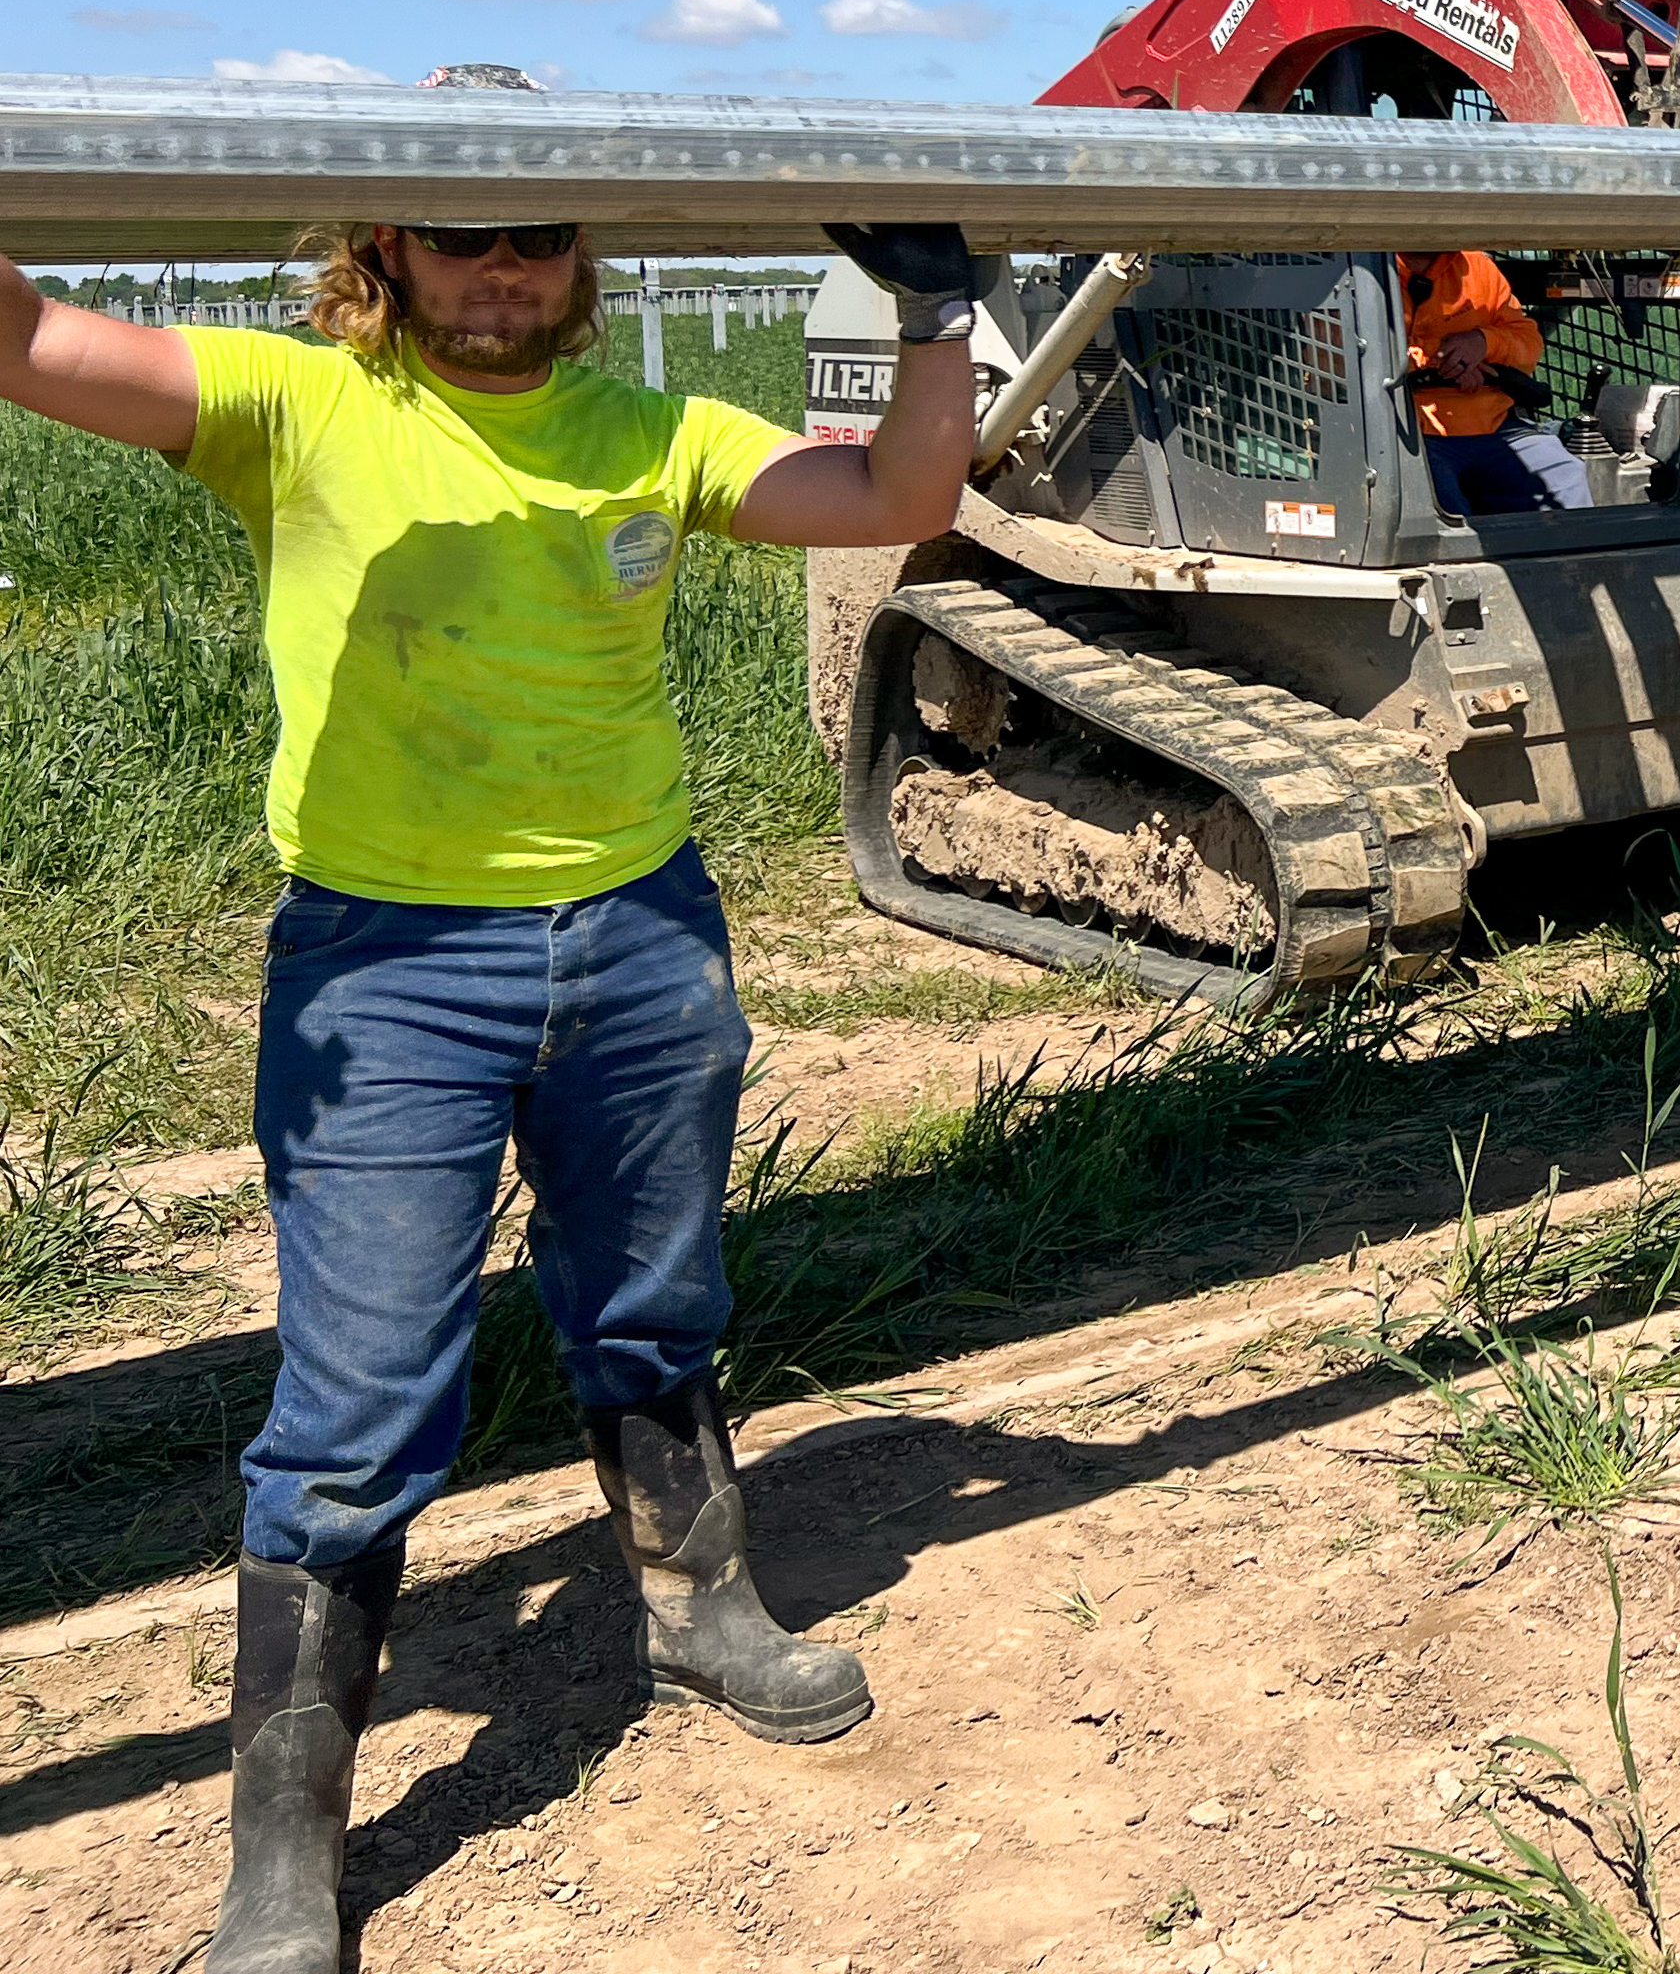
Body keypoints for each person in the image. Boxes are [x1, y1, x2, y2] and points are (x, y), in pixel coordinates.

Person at [0, 167, 978, 1973]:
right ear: (387, 247)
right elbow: (33, 337)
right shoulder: (293, 405)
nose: (507, 268)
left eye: (539, 233)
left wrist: (933, 312)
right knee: (360, 1394)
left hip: (639, 934)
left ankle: (700, 1607)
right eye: (465, 233)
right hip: (388, 959)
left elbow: (900, 494)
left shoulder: (651, 424)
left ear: (585, 249)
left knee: (653, 1300)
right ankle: (286, 1852)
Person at [1400, 248, 1588, 516]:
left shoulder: (1478, 267)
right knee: (1438, 501)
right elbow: (1342, 349)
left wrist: (1483, 343)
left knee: (1564, 473)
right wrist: (1444, 359)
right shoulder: (1361, 270)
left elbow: (1527, 344)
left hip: (1493, 424)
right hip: (1410, 429)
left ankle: (1570, 556)